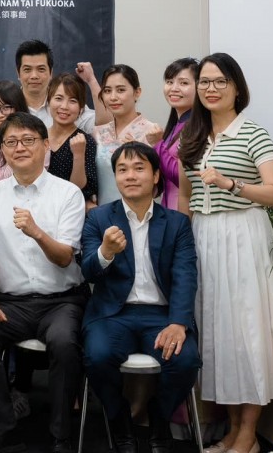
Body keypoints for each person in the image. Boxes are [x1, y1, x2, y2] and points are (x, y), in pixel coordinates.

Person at [178, 53, 273, 453]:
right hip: (204, 237)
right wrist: (182, 242)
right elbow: (185, 198)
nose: (210, 89)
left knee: (247, 332)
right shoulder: (190, 137)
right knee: (216, 335)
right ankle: (230, 429)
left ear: (237, 88)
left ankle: (248, 434)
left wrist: (231, 184)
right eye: (204, 82)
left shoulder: (254, 133)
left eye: (219, 81)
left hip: (244, 233)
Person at [0, 112, 87, 453]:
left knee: (65, 344)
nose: (19, 148)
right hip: (11, 302)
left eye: (28, 140)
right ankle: (5, 427)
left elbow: (65, 257)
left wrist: (36, 231)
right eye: (11, 142)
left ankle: (61, 435)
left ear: (45, 145)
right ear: (3, 150)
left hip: (61, 300)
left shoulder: (67, 194)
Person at [81, 142, 199, 453]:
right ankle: (120, 424)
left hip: (161, 316)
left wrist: (178, 323)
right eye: (122, 170)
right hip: (113, 314)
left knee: (185, 361)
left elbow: (186, 276)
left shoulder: (177, 223)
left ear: (156, 175)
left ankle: (159, 425)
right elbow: (88, 272)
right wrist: (105, 252)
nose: (130, 176)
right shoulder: (99, 219)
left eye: (139, 168)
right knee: (98, 356)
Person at [93, 65, 160, 206]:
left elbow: (160, 183)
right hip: (102, 215)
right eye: (107, 91)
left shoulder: (152, 132)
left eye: (121, 90)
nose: (113, 97)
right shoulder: (98, 133)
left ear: (137, 93)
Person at [15, 40, 109, 135]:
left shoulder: (65, 105)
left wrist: (91, 80)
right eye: (27, 69)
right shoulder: (9, 104)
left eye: (41, 69)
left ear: (51, 72)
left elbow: (104, 124)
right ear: (18, 73)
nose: (34, 76)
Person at [44, 73, 98, 204]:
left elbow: (79, 188)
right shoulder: (38, 136)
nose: (64, 106)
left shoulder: (85, 141)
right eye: (58, 98)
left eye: (72, 101)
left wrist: (78, 154)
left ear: (81, 108)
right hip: (39, 207)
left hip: (70, 210)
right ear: (49, 101)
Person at [152, 58, 197, 210]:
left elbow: (182, 177)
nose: (174, 88)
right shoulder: (176, 125)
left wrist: (157, 144)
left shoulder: (197, 127)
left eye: (183, 83)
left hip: (185, 209)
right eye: (170, 82)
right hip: (170, 208)